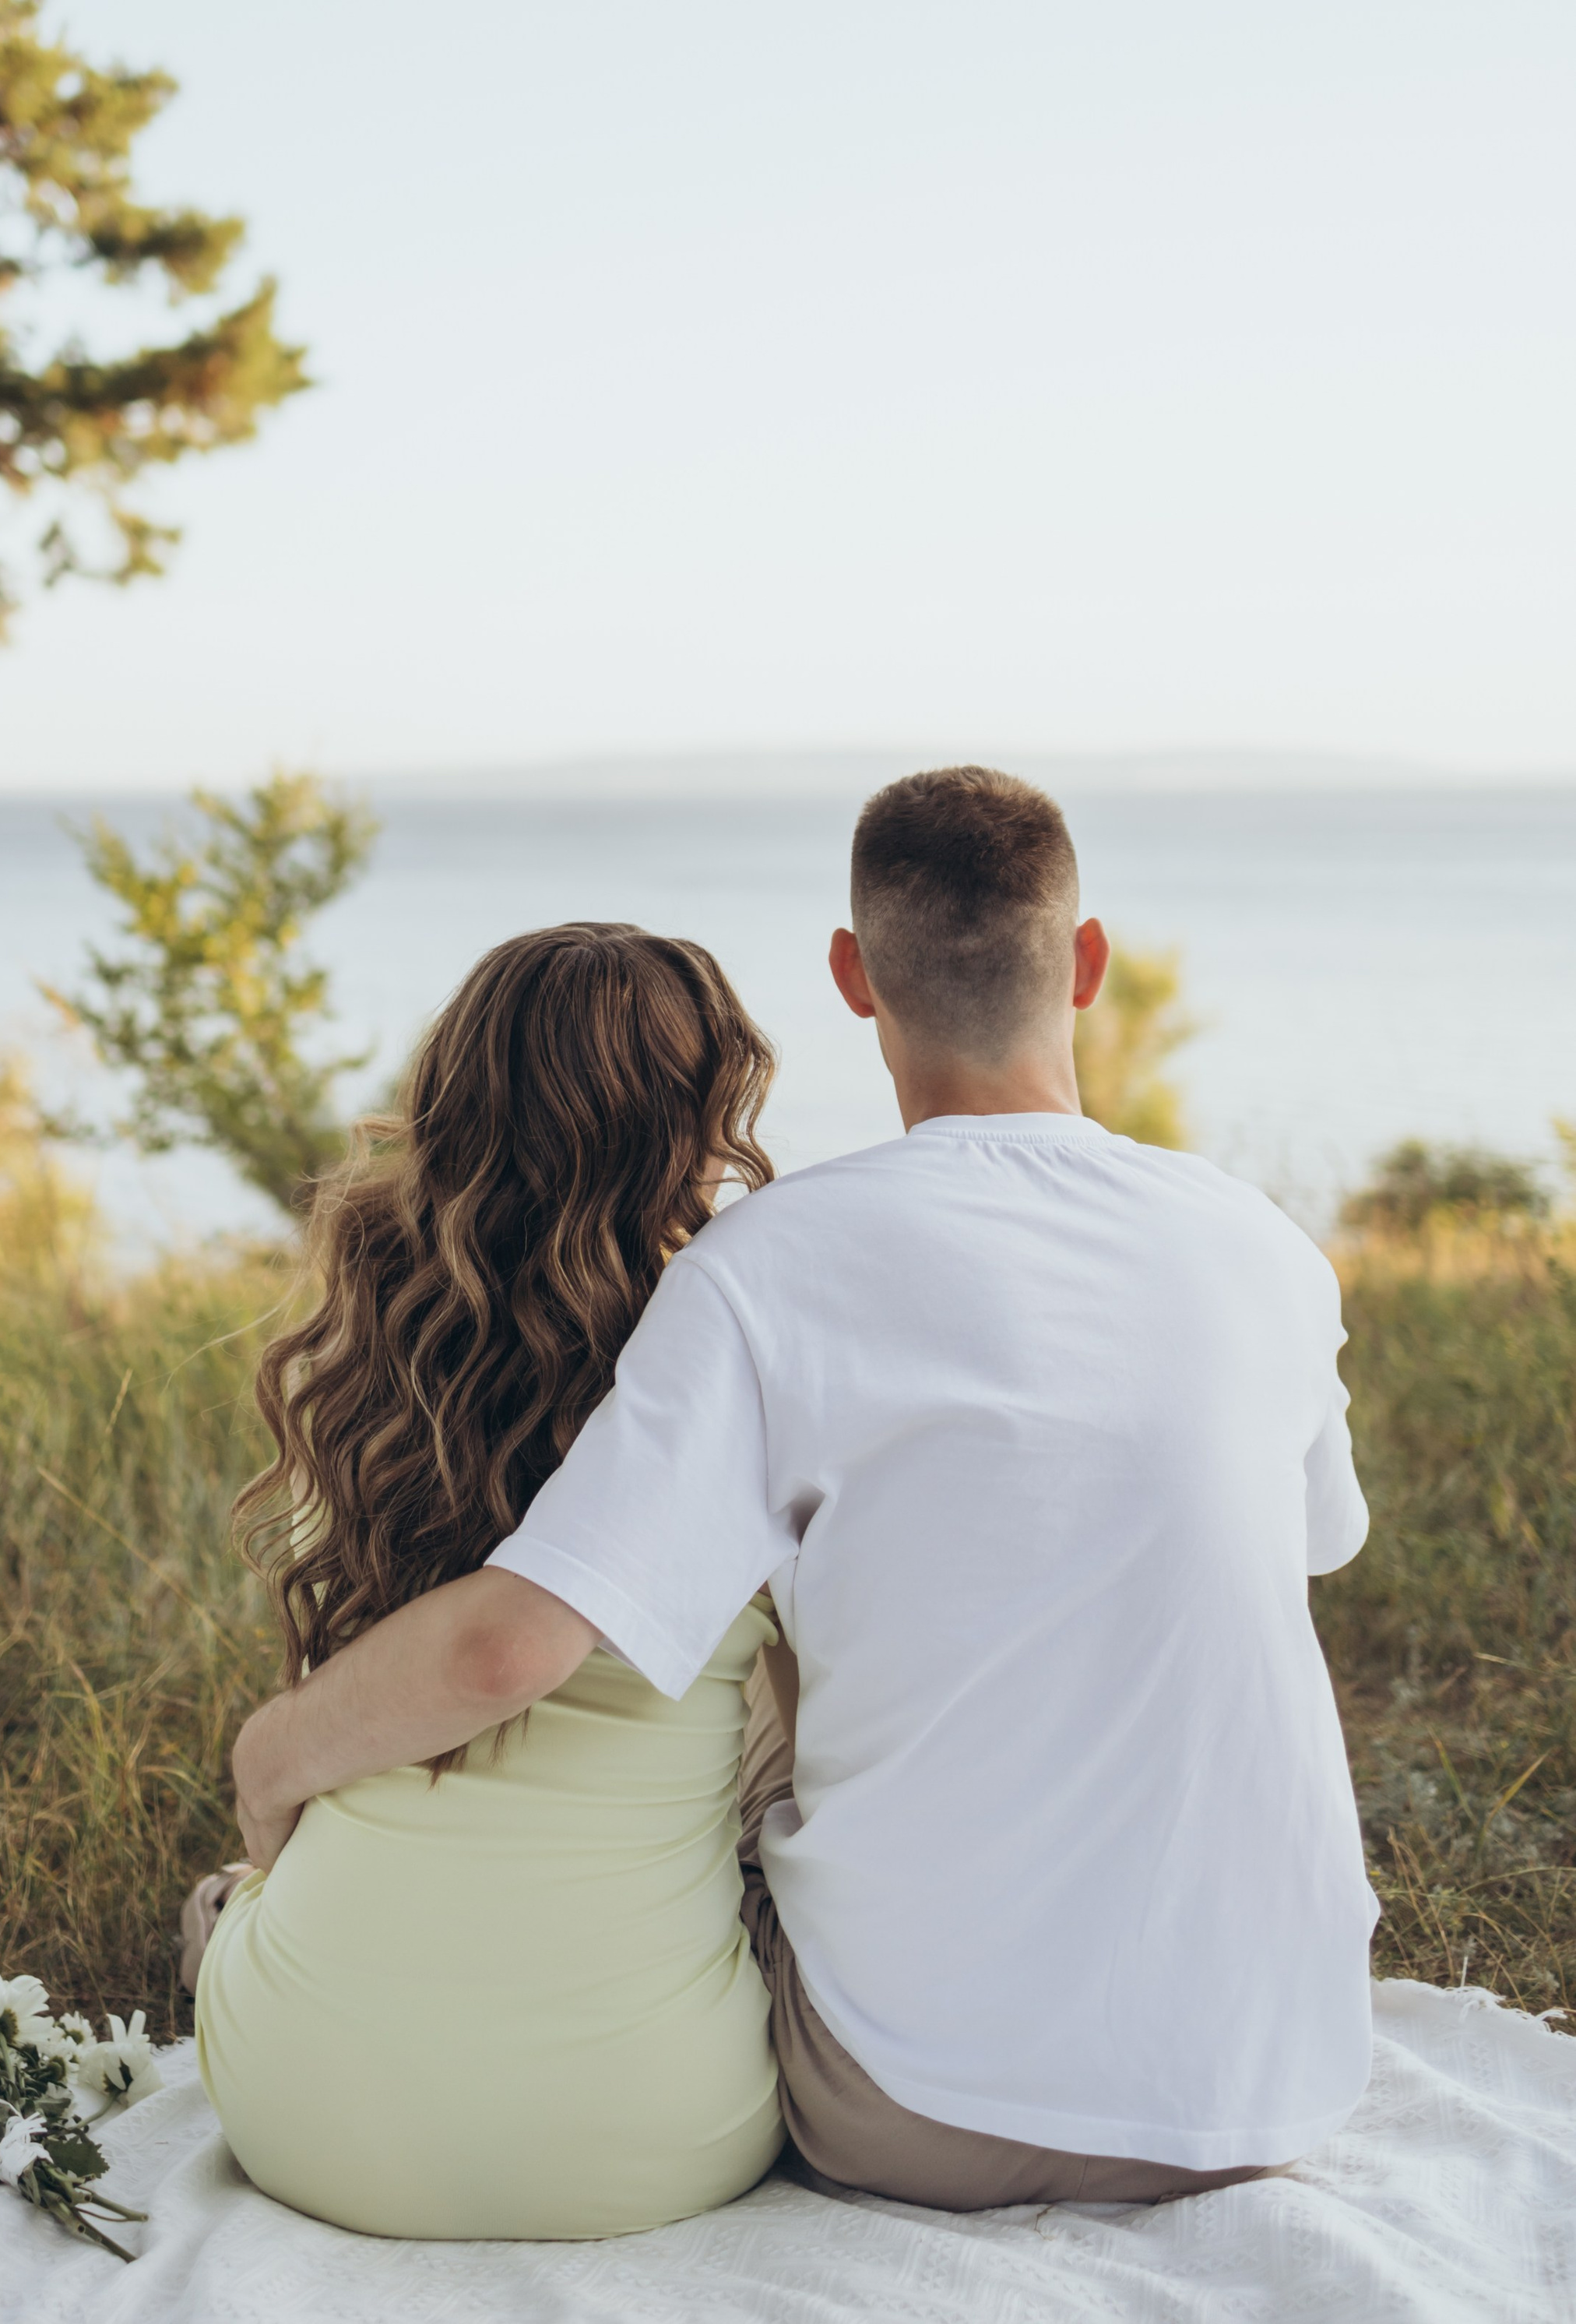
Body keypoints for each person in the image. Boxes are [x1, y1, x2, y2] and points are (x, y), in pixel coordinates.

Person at [230, 766, 1377, 2211]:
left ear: (853, 976)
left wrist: (269, 1758)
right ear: (1088, 963)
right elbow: (1319, 1540)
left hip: (912, 2112)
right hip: (1272, 2085)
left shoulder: (771, 1267)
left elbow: (507, 1644)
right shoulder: (1267, 1248)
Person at [188, 922, 788, 2239]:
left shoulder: (398, 1360)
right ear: (699, 1124)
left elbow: (404, 1685)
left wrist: (266, 1761)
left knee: (237, 1909)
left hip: (299, 2106)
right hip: (645, 2129)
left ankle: (239, 1933)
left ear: (458, 1112)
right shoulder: (750, 1370)